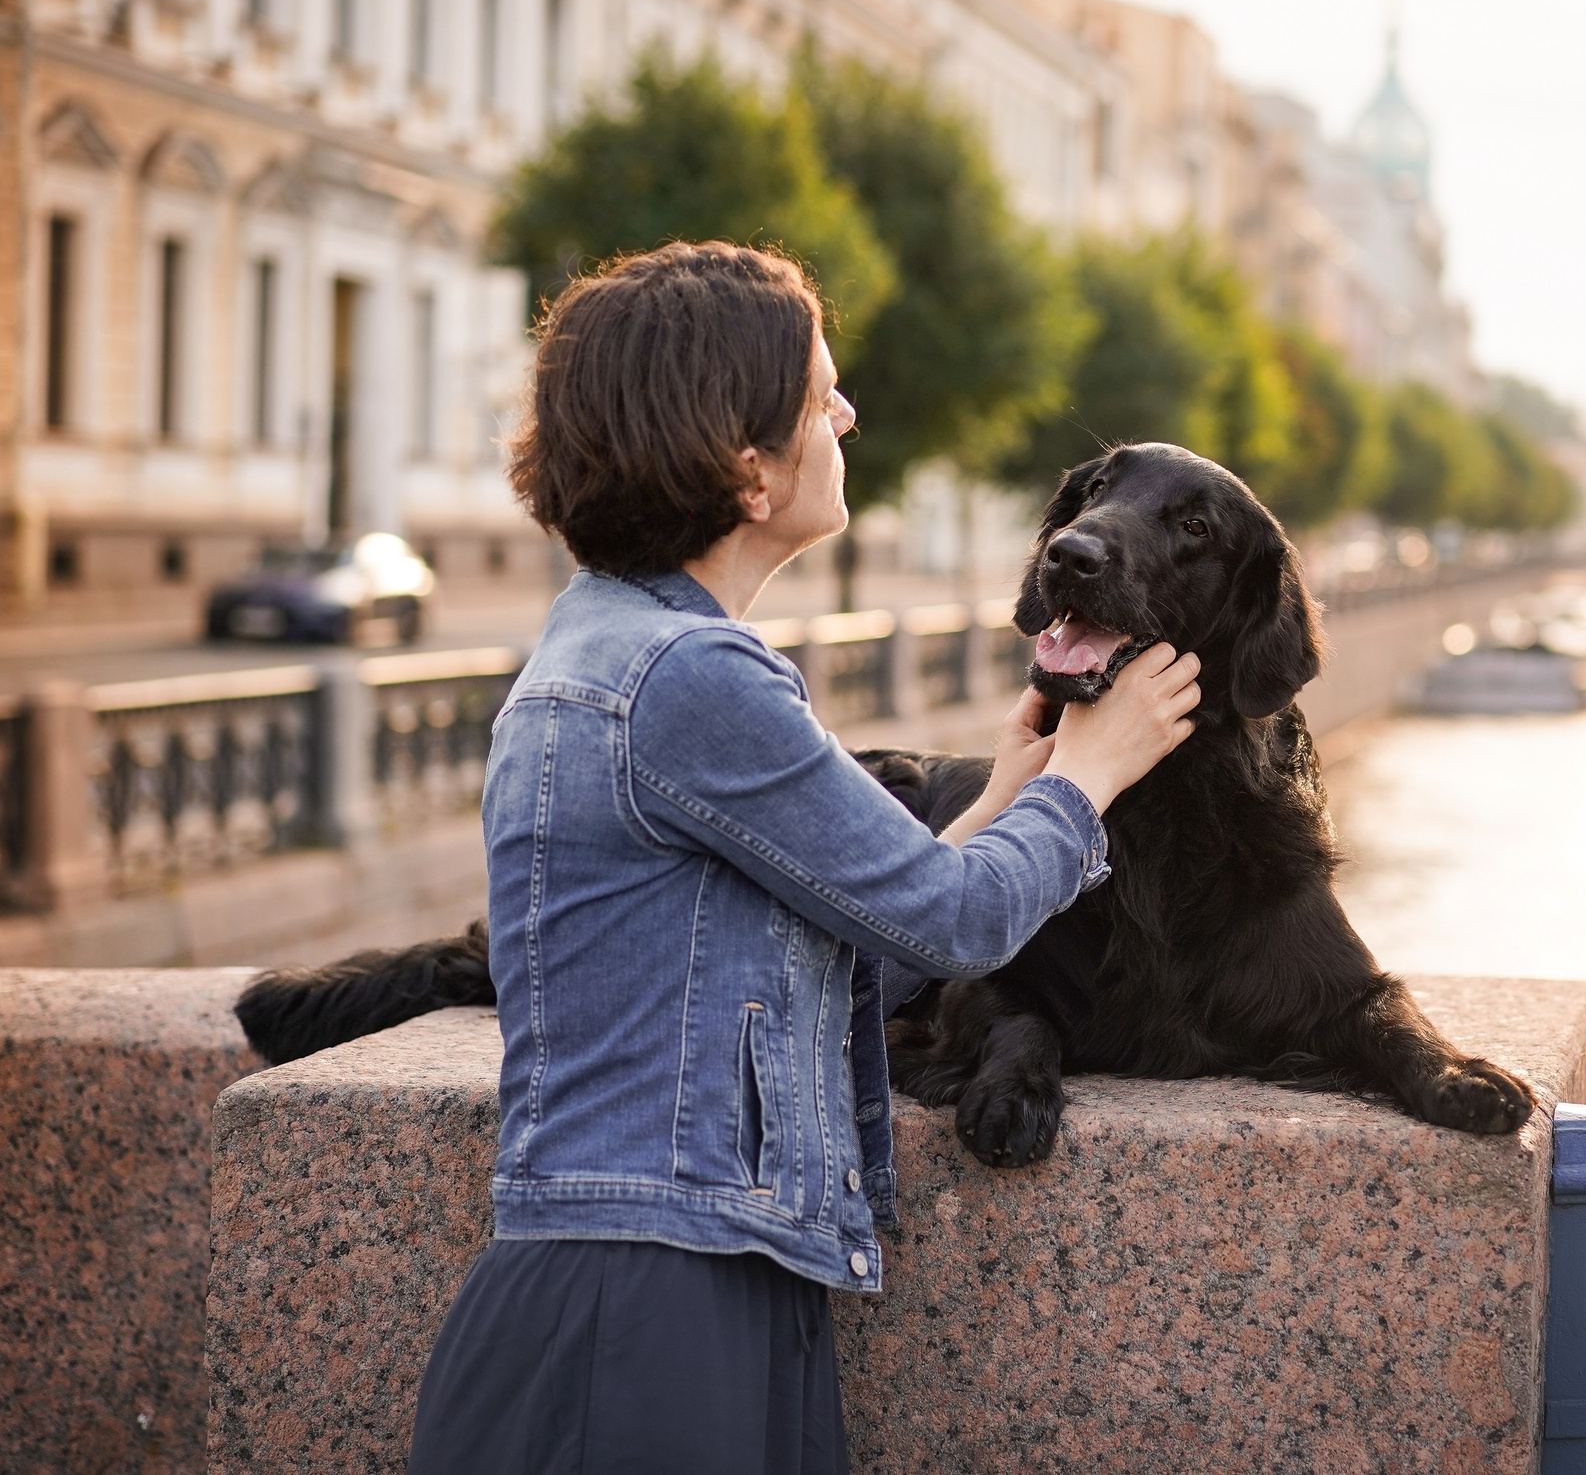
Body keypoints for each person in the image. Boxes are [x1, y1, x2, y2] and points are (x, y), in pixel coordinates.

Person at [406, 242, 1200, 1475]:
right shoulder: (689, 677)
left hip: (684, 1275)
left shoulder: (621, 649)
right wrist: (1089, 780)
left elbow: (817, 974)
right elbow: (952, 928)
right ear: (745, 464)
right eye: (820, 392)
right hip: (647, 1307)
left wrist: (1003, 800)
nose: (846, 414)